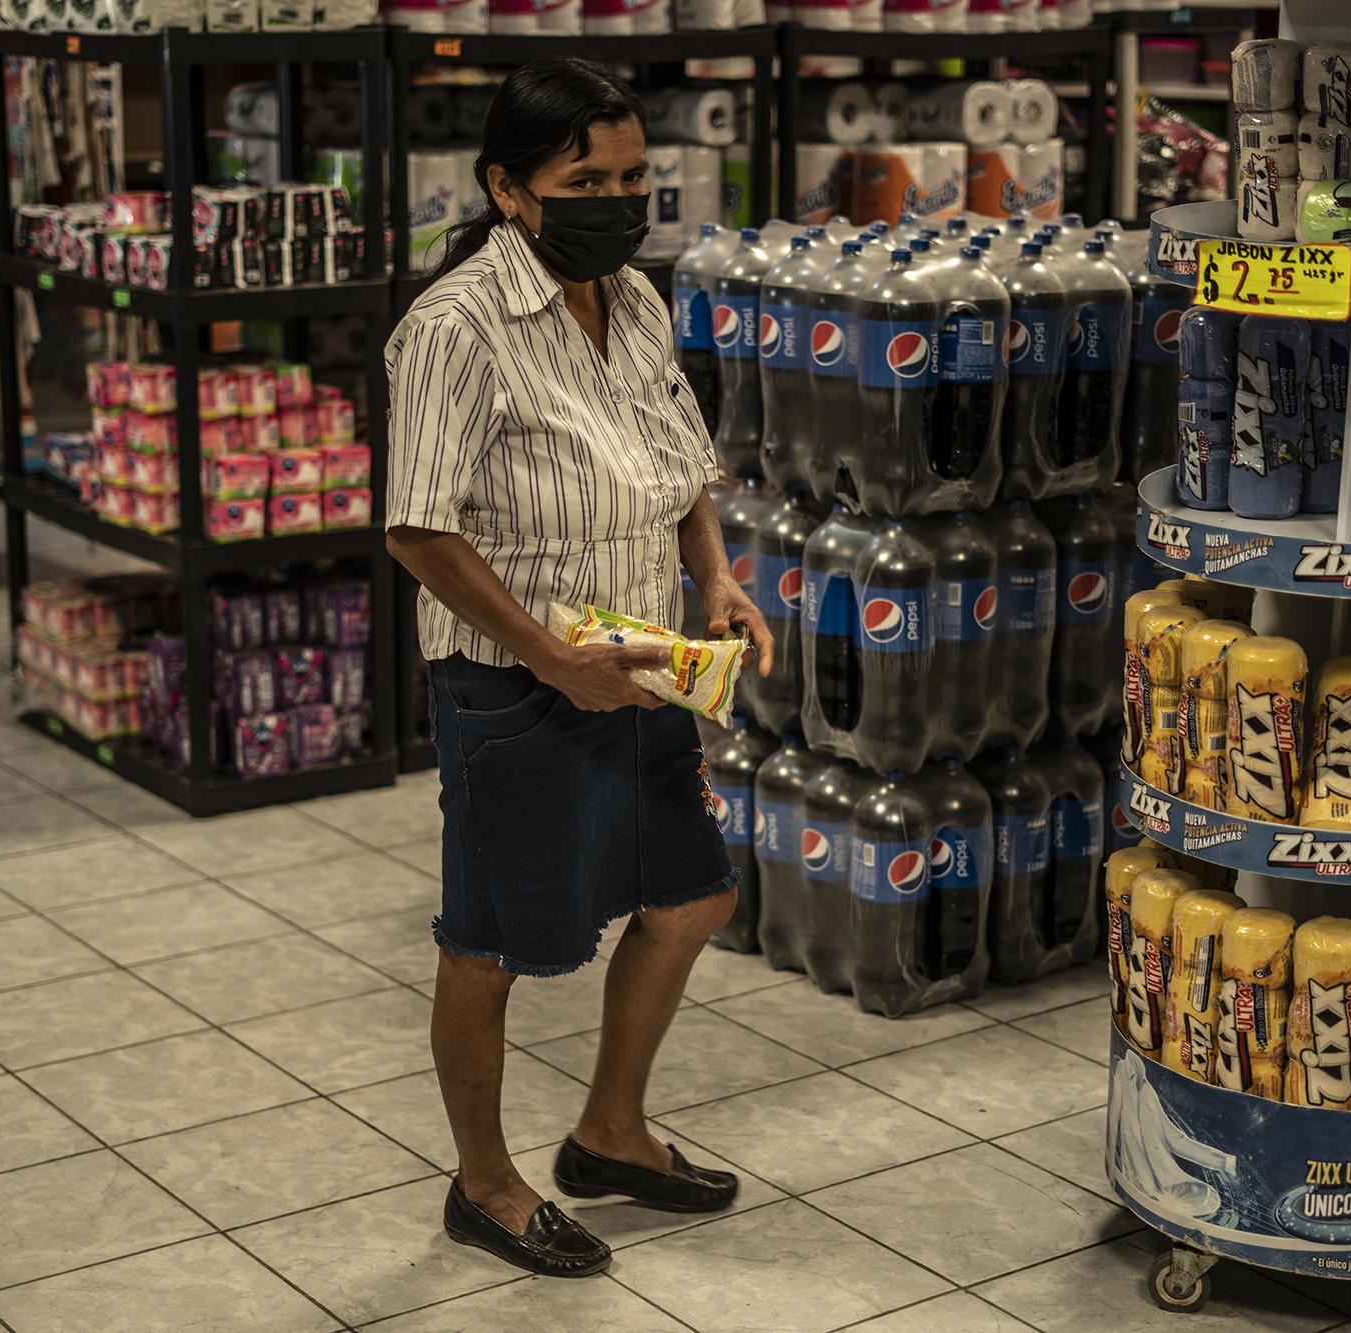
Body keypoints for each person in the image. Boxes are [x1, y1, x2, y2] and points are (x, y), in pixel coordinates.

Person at [383, 58, 775, 1279]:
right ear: (509, 189)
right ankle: (483, 1184)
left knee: (691, 894)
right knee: (487, 942)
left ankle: (607, 1133)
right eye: (583, 179)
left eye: (633, 175)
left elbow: (679, 472)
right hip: (509, 683)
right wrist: (548, 656)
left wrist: (711, 574)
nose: (616, 197)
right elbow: (416, 528)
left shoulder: (634, 297)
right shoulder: (452, 330)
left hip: (636, 659)